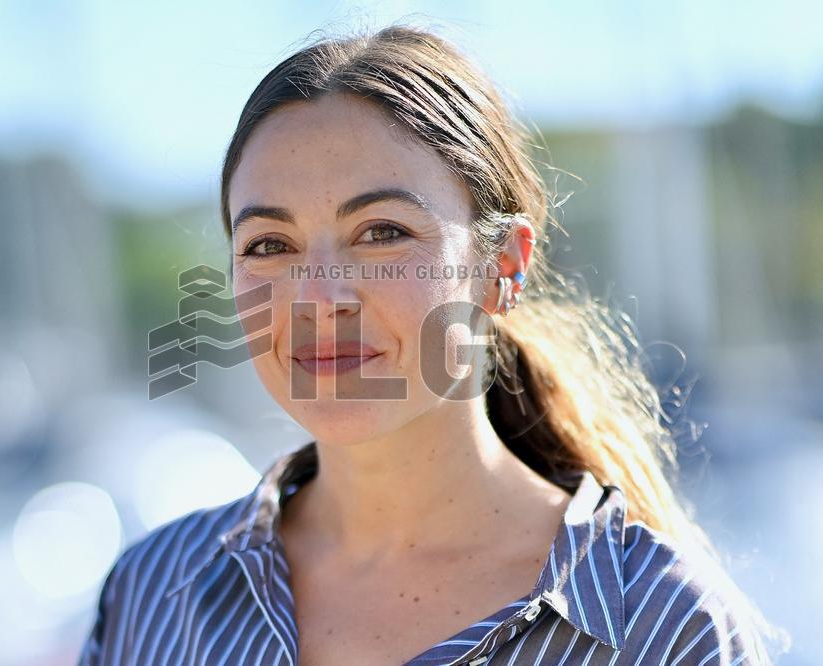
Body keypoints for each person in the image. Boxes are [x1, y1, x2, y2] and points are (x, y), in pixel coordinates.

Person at [79, 23, 788, 665]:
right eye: (269, 244)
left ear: (502, 265)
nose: (319, 300)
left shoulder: (661, 629)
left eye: (382, 232)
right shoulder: (152, 596)